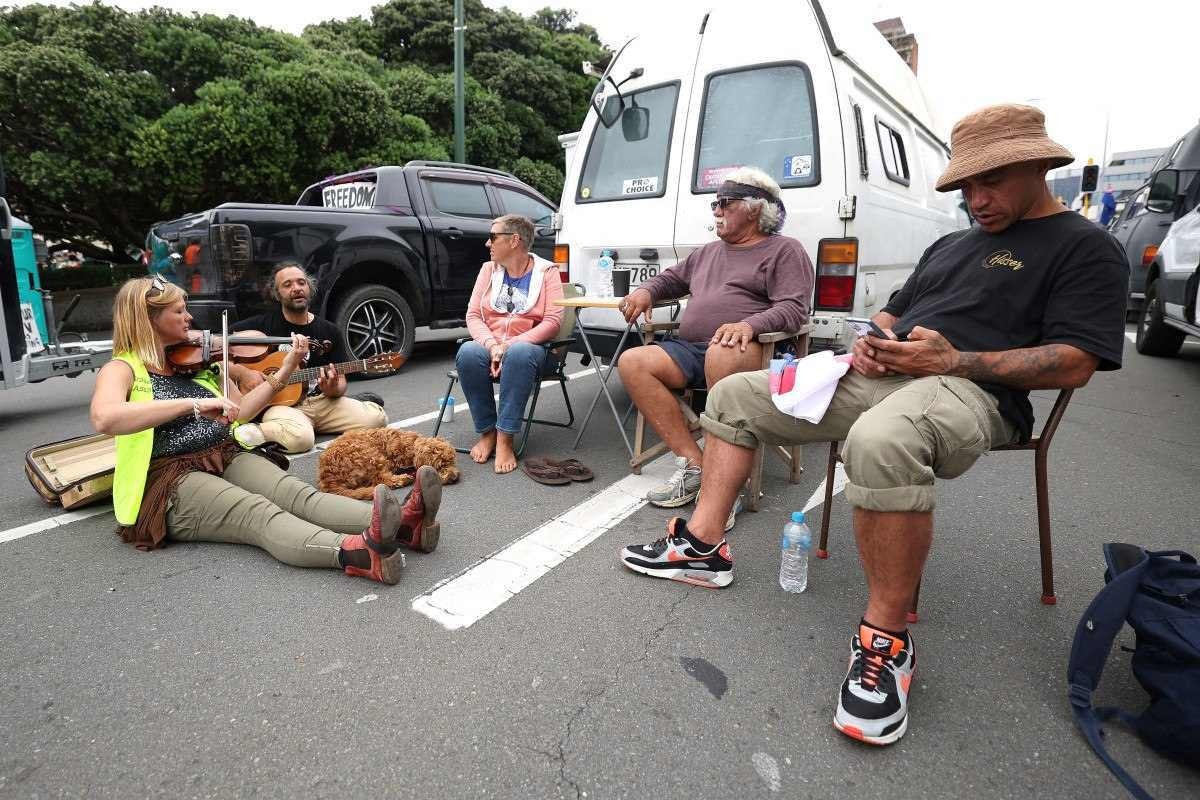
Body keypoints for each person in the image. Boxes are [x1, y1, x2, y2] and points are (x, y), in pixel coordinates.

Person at [619, 104, 1128, 745]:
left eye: (989, 183)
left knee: (880, 440)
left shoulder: (1086, 248)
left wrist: (954, 358)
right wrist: (871, 341)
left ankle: (886, 640)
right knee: (740, 394)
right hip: (885, 372)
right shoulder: (953, 244)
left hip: (974, 388)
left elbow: (1077, 361)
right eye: (965, 187)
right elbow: (891, 315)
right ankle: (703, 546)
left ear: (1038, 166)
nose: (976, 199)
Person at [90, 277, 442, 585]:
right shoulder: (122, 369)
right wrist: (190, 405)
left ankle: (406, 526)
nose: (190, 319)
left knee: (298, 496)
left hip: (220, 453)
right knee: (258, 513)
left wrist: (287, 367)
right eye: (179, 312)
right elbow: (105, 418)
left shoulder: (193, 363)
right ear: (149, 319)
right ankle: (358, 555)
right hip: (167, 477)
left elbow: (241, 411)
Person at [616, 166, 812, 517]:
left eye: (726, 203)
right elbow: (669, 280)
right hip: (694, 349)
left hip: (756, 351)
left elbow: (794, 309)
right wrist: (646, 291)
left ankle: (727, 486)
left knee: (723, 351)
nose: (717, 211)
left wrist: (749, 325)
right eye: (715, 204)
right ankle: (697, 465)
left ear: (755, 209)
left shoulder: (784, 250)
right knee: (633, 362)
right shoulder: (706, 253)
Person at [229, 262, 387, 453]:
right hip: (281, 406)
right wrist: (244, 374)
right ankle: (252, 430)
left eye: (301, 283)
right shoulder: (262, 326)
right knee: (302, 440)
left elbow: (341, 382)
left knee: (376, 418)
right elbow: (220, 352)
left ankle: (300, 426)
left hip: (320, 401)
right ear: (277, 294)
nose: (296, 288)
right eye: (287, 285)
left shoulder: (330, 331)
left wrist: (333, 389)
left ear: (309, 288)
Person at [458, 214, 563, 474]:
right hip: (493, 343)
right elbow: (473, 315)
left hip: (532, 350)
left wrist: (510, 344)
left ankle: (505, 437)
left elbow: (552, 321)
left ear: (514, 240)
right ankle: (487, 432)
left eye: (493, 237)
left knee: (519, 352)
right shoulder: (487, 270)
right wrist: (492, 344)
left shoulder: (547, 272)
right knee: (469, 351)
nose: (487, 243)